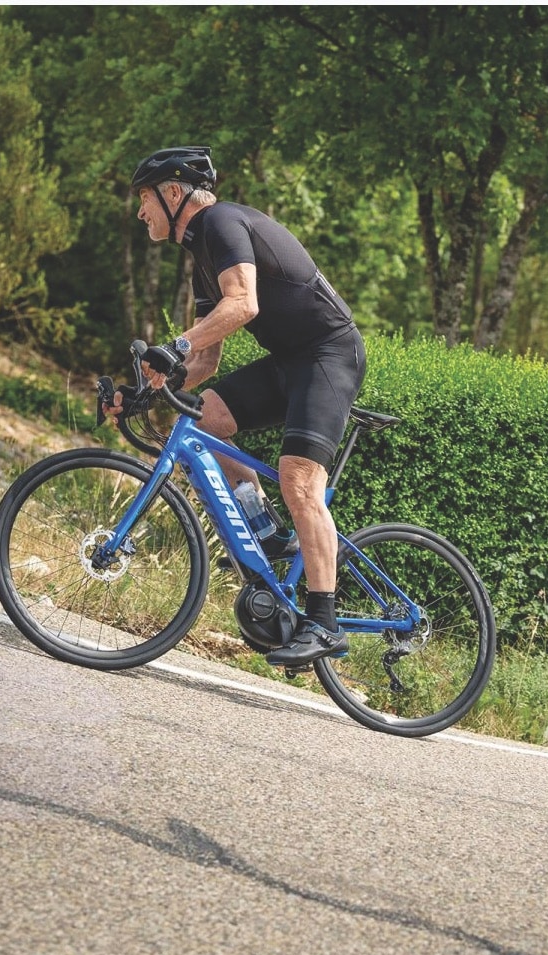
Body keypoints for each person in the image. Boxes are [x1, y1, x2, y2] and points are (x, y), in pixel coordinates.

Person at [112, 146, 366, 667]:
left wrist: (174, 346)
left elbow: (243, 304)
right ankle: (270, 533)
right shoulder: (200, 258)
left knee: (299, 480)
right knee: (203, 415)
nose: (140, 212)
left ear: (174, 192)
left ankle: (324, 622)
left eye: (144, 198)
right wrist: (142, 389)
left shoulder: (222, 222)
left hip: (328, 356)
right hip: (291, 359)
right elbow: (203, 361)